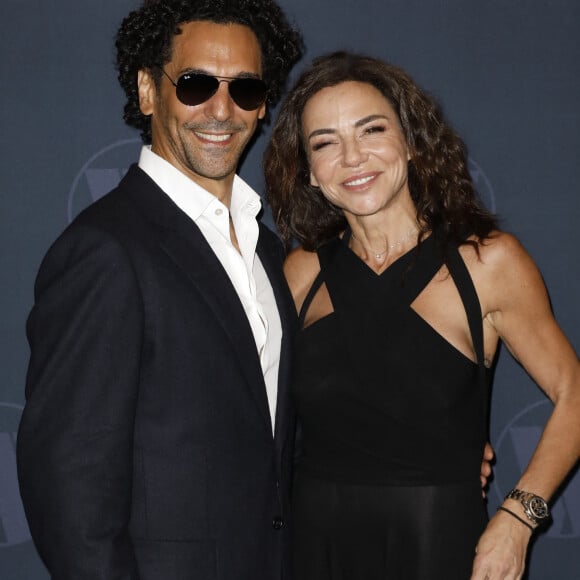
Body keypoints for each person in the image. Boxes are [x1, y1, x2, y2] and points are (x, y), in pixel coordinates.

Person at [264, 51, 580, 580]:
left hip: (440, 544)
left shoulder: (487, 262)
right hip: (315, 547)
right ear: (311, 173)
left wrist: (518, 518)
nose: (353, 157)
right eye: (325, 143)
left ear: (410, 142)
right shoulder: (299, 273)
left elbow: (573, 393)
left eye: (371, 131)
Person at [17, 1, 303, 579]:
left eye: (245, 89)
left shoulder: (268, 252)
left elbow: (272, 434)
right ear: (149, 90)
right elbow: (69, 485)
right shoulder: (107, 251)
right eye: (196, 85)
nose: (222, 110)